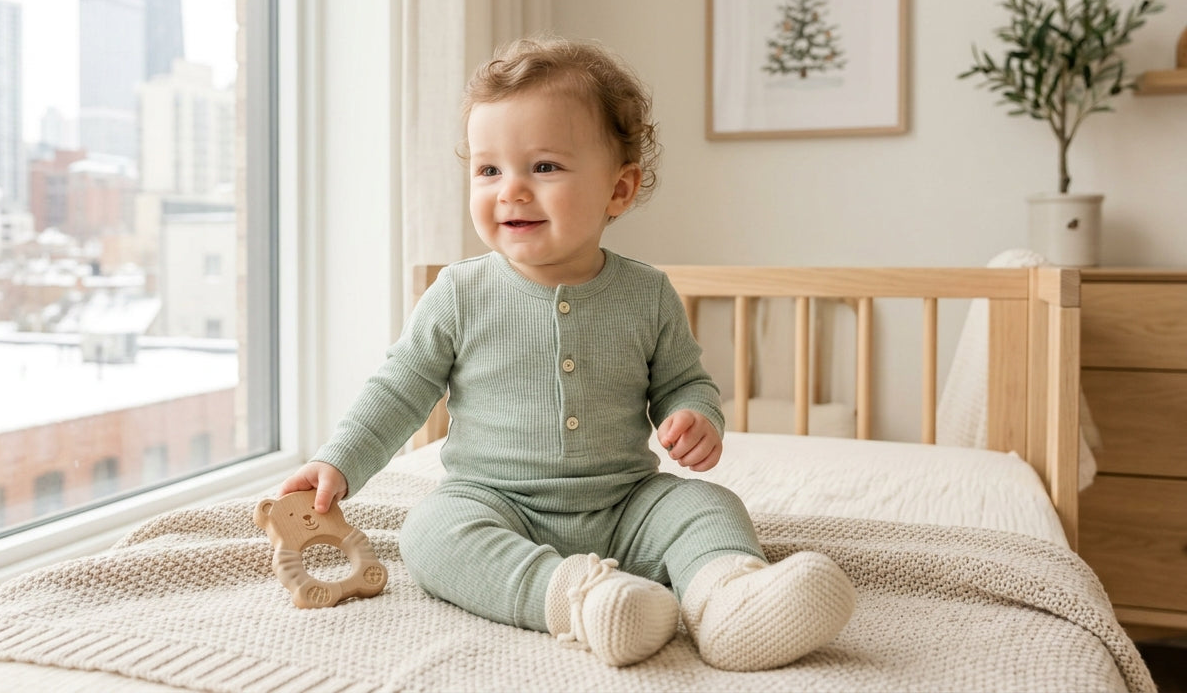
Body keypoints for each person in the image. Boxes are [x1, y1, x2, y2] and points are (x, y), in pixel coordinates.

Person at [279, 36, 855, 671]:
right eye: (488, 169)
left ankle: (731, 601)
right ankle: (582, 600)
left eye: (544, 167)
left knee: (706, 506)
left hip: (626, 503)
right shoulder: (461, 292)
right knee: (430, 533)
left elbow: (685, 383)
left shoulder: (646, 293)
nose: (512, 191)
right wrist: (340, 460)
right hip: (497, 503)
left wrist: (697, 417)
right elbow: (399, 388)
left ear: (619, 189)